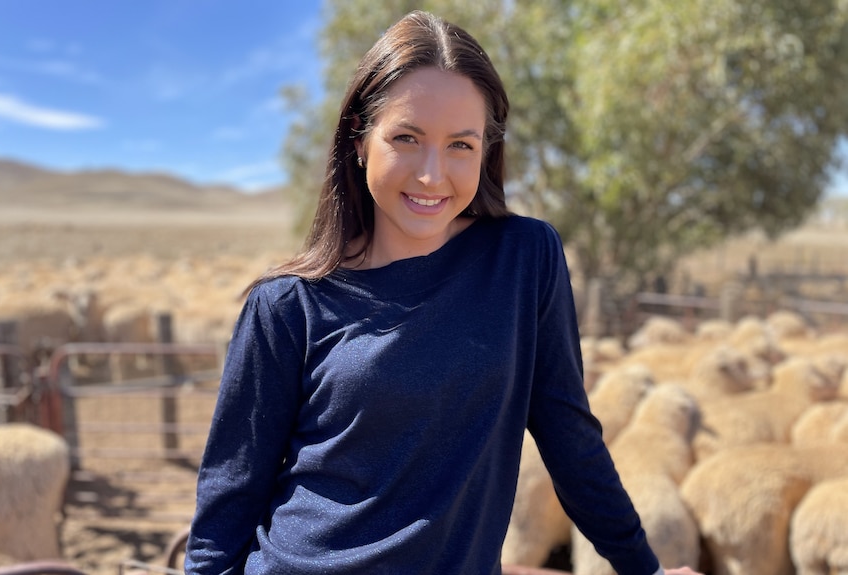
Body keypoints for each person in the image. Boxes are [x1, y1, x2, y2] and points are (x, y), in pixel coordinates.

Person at [185, 10, 703, 575]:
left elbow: (567, 435)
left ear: (487, 151)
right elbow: (225, 509)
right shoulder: (287, 304)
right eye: (406, 137)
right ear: (359, 141)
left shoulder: (524, 258)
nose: (433, 175)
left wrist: (642, 567)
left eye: (461, 144)